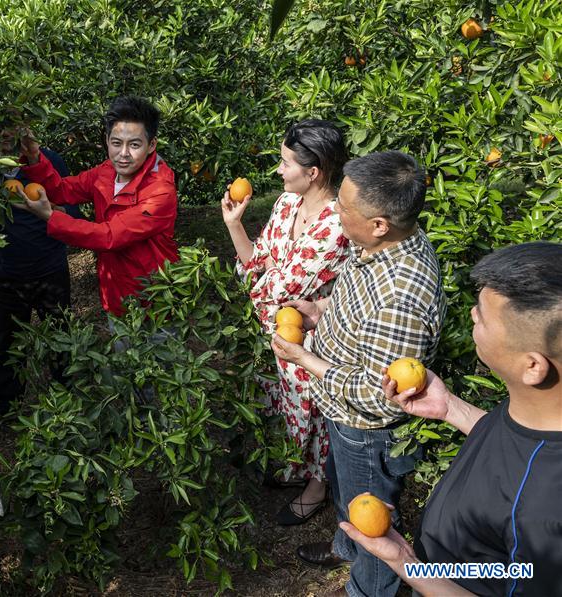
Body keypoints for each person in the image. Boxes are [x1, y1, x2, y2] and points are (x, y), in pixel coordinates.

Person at [341, 242, 562, 597]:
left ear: (533, 366)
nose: (473, 314)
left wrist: (406, 564)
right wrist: (449, 408)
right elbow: (517, 450)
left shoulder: (543, 511)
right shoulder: (539, 409)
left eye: (483, 317)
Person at [271, 151, 446, 597]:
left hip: (365, 429)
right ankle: (344, 547)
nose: (337, 213)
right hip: (341, 410)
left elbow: (375, 393)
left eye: (345, 209)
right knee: (349, 496)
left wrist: (304, 359)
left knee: (374, 522)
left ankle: (368, 587)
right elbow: (359, 299)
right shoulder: (381, 245)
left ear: (380, 223)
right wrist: (321, 310)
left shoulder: (401, 297)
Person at [221, 119, 350, 525]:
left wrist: (264, 275)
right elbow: (256, 263)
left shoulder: (336, 225)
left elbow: (275, 288)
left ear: (314, 172)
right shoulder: (285, 203)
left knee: (314, 411)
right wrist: (234, 225)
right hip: (276, 330)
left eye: (286, 163)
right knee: (285, 404)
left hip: (311, 337)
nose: (278, 170)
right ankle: (295, 467)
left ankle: (318, 486)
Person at [12, 95, 178, 317]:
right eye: (116, 143)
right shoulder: (106, 171)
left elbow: (109, 236)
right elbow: (62, 190)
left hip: (155, 303)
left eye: (134, 145)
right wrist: (34, 158)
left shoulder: (160, 191)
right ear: (107, 140)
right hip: (116, 295)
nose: (123, 154)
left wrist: (51, 216)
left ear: (151, 145)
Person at [0, 120, 80, 420]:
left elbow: (71, 210)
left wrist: (47, 209)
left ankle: (66, 399)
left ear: (25, 127)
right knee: (8, 344)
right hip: (6, 273)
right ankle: (7, 405)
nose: (5, 132)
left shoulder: (48, 162)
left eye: (12, 124)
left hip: (49, 269)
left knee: (60, 336)